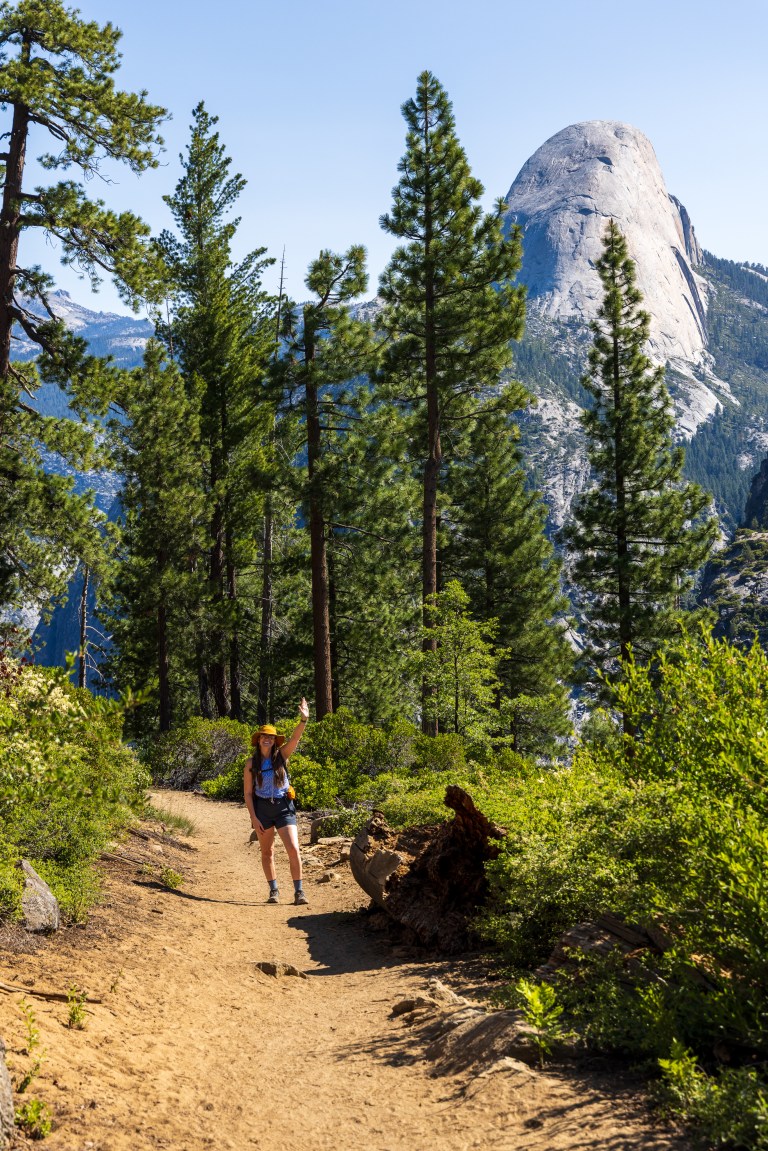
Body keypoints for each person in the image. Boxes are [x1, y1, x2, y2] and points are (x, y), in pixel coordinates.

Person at [244, 698, 310, 906]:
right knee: (267, 851)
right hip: (262, 809)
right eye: (264, 736)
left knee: (293, 849)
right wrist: (254, 818)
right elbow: (247, 793)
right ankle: (274, 891)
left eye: (271, 737)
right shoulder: (250, 764)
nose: (267, 739)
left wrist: (303, 719)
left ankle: (299, 892)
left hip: (283, 807)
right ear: (258, 739)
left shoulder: (281, 756)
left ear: (274, 741)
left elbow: (295, 739)